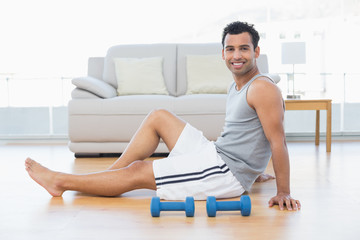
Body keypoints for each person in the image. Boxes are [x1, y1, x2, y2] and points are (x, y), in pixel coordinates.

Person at [25, 21, 301, 211]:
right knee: (159, 116)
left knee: (138, 172)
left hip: (224, 173)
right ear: (223, 53)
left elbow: (277, 141)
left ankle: (60, 181)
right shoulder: (237, 85)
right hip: (218, 155)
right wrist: (255, 170)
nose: (236, 55)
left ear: (256, 52)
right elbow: (246, 135)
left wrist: (282, 190)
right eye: (231, 49)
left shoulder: (262, 88)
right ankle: (107, 177)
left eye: (244, 48)